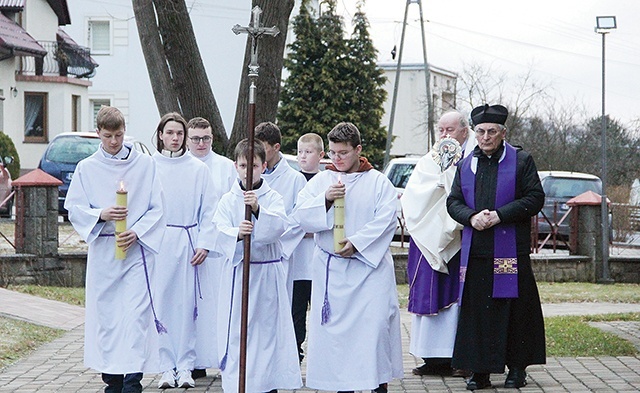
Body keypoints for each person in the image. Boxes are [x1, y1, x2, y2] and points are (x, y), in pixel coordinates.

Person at [292, 122, 403, 393]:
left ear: (358, 149)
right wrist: (326, 200)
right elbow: (299, 214)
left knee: (374, 329)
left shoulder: (377, 181)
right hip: (332, 269)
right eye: (331, 153)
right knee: (337, 337)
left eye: (343, 153)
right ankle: (343, 386)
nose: (336, 159)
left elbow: (387, 219)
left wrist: (358, 243)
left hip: (369, 270)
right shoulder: (322, 180)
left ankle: (378, 383)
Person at [65, 106, 165, 393]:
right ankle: (112, 380)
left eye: (119, 135)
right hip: (105, 252)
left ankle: (133, 381)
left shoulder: (145, 166)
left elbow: (157, 208)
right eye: (108, 136)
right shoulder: (87, 168)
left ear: (125, 131)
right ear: (98, 133)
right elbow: (74, 208)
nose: (114, 141)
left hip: (135, 251)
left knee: (134, 318)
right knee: (109, 320)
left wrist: (137, 231)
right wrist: (100, 214)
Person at [446, 104, 546, 390]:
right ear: (474, 133)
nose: (486, 137)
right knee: (478, 314)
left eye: (492, 131)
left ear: (503, 133)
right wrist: (471, 217)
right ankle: (479, 371)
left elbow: (535, 197)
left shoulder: (522, 160)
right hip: (477, 251)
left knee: (515, 311)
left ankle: (516, 369)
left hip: (510, 250)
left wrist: (501, 215)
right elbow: (453, 202)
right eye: (481, 131)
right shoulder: (466, 164)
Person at [214, 139, 302, 393]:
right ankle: (238, 385)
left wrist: (257, 209)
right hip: (240, 274)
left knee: (265, 336)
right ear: (235, 166)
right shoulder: (228, 200)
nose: (247, 171)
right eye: (242, 165)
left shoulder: (273, 198)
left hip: (266, 278)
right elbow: (219, 230)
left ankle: (266, 385)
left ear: (263, 166)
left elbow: (278, 227)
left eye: (253, 165)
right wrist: (237, 234)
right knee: (239, 334)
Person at [401, 111, 475, 378]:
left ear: (464, 132)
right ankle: (432, 359)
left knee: (457, 299)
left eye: (451, 130)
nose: (445, 135)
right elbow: (415, 194)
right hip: (429, 235)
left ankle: (458, 358)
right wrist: (440, 179)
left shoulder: (473, 159)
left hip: (460, 235)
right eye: (441, 130)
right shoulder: (427, 161)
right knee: (428, 296)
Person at [151, 113, 218, 389]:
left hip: (190, 241)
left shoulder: (198, 169)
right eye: (170, 133)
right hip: (162, 241)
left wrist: (204, 242)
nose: (175, 138)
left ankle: (187, 365)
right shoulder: (151, 166)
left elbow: (209, 210)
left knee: (189, 305)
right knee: (163, 303)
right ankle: (166, 366)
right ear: (161, 135)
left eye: (180, 133)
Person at [186, 116, 236, 379]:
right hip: (185, 244)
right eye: (195, 138)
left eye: (206, 138)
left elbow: (230, 206)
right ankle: (191, 360)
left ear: (212, 138)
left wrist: (211, 242)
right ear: (187, 139)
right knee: (188, 305)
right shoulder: (180, 165)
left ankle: (217, 356)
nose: (201, 143)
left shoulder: (225, 167)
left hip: (216, 248)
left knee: (213, 306)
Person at [281, 133, 325, 362]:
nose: (303, 156)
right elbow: (291, 217)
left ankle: (320, 351)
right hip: (297, 257)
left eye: (308, 152)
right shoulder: (292, 181)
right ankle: (295, 348)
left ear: (321, 155)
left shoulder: (327, 182)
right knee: (296, 307)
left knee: (318, 306)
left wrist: (314, 225)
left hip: (318, 254)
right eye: (300, 152)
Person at [254, 122, 307, 301]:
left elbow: (298, 220)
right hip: (251, 253)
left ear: (276, 147)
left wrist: (271, 236)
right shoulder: (249, 176)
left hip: (278, 255)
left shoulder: (295, 180)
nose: (258, 155)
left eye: (263, 149)